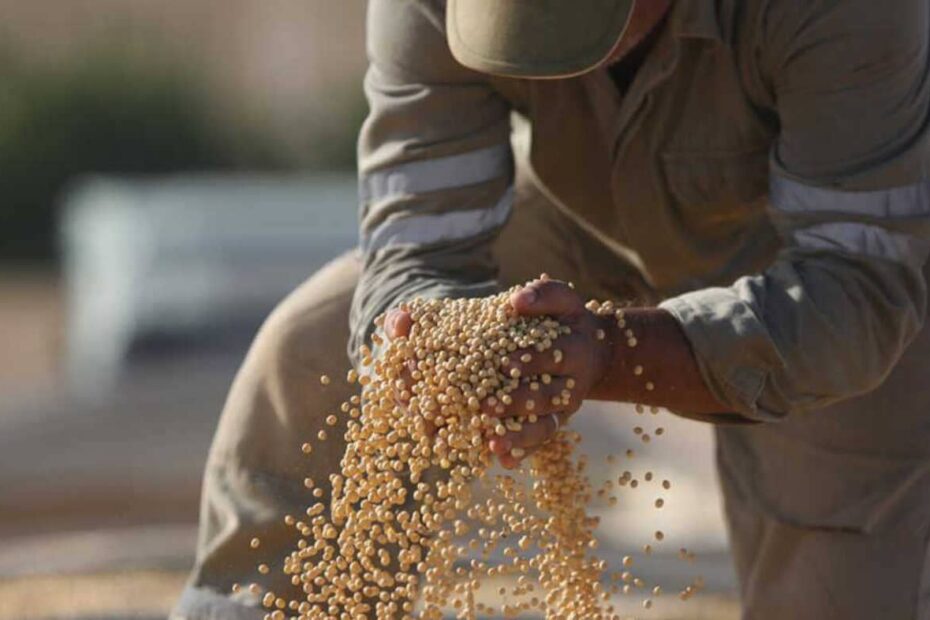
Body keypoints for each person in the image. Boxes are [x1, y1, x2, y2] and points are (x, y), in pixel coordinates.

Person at [171, 0, 930, 618]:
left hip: (835, 252)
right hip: (586, 201)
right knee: (313, 350)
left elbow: (855, 291)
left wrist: (607, 351)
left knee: (835, 556)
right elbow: (417, 250)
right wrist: (430, 337)